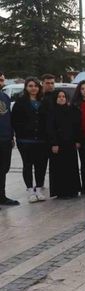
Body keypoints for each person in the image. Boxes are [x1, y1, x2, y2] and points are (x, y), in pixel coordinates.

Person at [11, 78, 47, 203]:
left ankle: (38, 188)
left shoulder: (43, 101)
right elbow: (14, 121)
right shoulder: (20, 103)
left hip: (41, 140)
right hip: (25, 140)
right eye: (30, 86)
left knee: (40, 165)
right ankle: (30, 190)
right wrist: (20, 133)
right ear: (26, 87)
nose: (33, 88)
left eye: (36, 86)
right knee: (27, 165)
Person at [47, 90, 82, 199]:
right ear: (55, 99)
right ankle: (61, 192)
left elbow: (76, 126)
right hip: (58, 145)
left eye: (63, 96)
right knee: (59, 168)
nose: (62, 98)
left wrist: (77, 140)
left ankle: (73, 190)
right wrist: (54, 143)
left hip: (70, 144)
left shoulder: (71, 110)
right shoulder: (52, 111)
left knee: (71, 167)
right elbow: (50, 129)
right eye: (59, 97)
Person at [0, 71, 19, 206]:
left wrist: (11, 136)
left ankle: (2, 196)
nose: (1, 83)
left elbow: (8, 119)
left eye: (2, 80)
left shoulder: (5, 97)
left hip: (5, 139)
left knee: (3, 169)